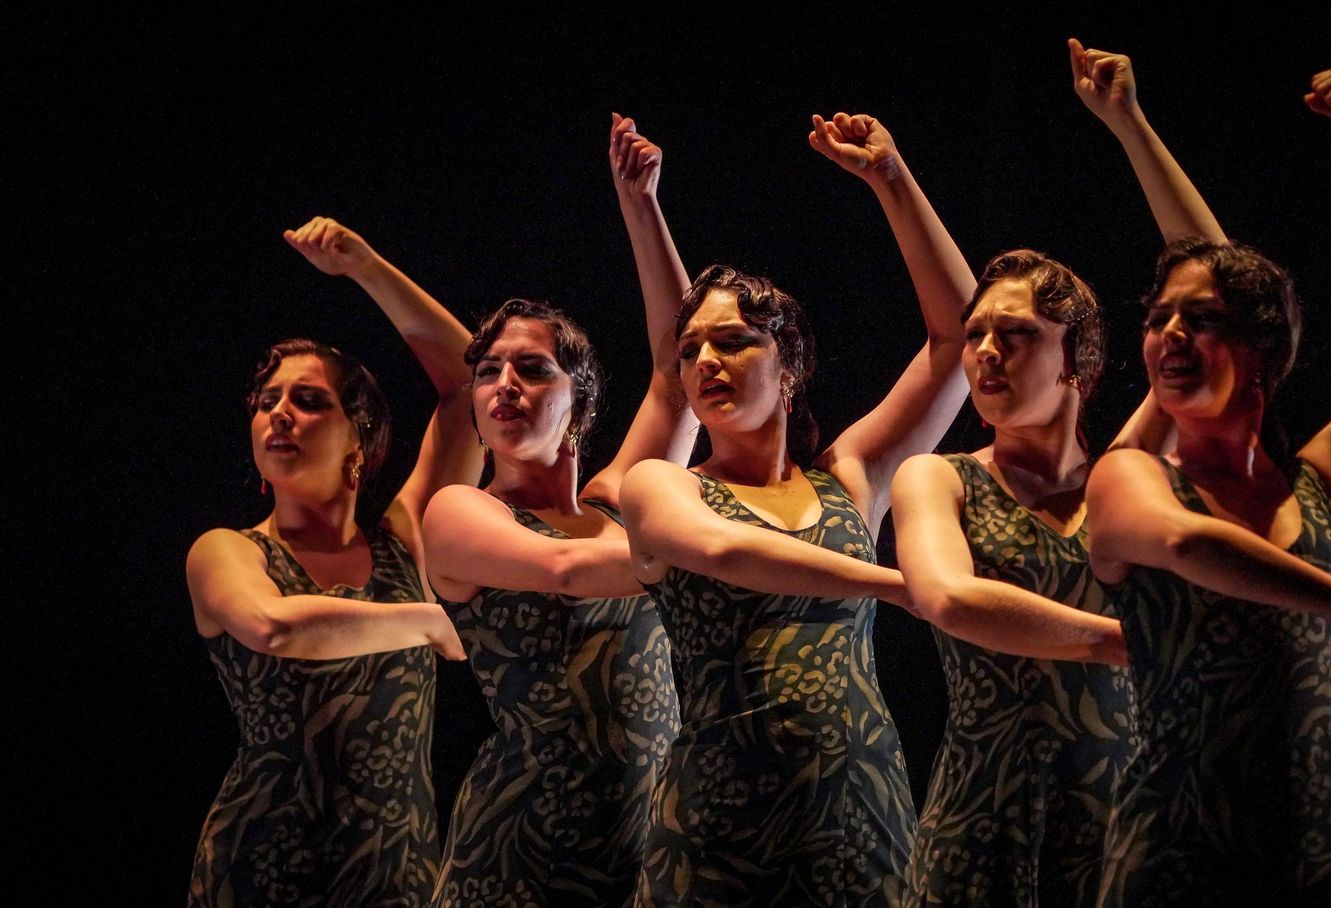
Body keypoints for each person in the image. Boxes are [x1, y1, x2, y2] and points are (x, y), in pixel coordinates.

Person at [1086, 64, 1331, 906]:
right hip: (1179, 856)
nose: (1169, 335)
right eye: (1157, 320)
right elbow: (1190, 544)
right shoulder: (1128, 479)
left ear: (1264, 351)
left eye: (1202, 320)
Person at [889, 40, 1229, 906]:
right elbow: (949, 599)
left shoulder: (1128, 473)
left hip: (1124, 822)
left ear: (1077, 358)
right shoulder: (940, 480)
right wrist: (1132, 644)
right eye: (976, 336)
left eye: (1018, 335)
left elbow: (1217, 290)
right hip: (979, 827)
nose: (988, 354)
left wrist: (1129, 124)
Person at [618, 113, 972, 906]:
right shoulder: (662, 487)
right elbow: (724, 552)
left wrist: (892, 180)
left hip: (862, 818)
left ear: (791, 366)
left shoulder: (848, 477)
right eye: (691, 350)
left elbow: (957, 341)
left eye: (736, 341)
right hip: (718, 836)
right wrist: (895, 584)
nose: (707, 360)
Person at [418, 115, 697, 907]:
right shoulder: (461, 514)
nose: (503, 384)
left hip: (644, 838)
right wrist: (718, 553)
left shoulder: (617, 507)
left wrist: (642, 205)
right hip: (523, 850)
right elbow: (567, 569)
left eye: (532, 369)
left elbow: (678, 379)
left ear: (578, 407)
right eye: (488, 372)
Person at [185, 217, 480, 906]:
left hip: (396, 871)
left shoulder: (404, 541)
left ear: (361, 439)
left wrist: (368, 268)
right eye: (267, 402)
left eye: (309, 400)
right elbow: (276, 628)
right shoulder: (227, 550)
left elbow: (470, 389)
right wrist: (431, 622)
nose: (279, 414)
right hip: (260, 870)